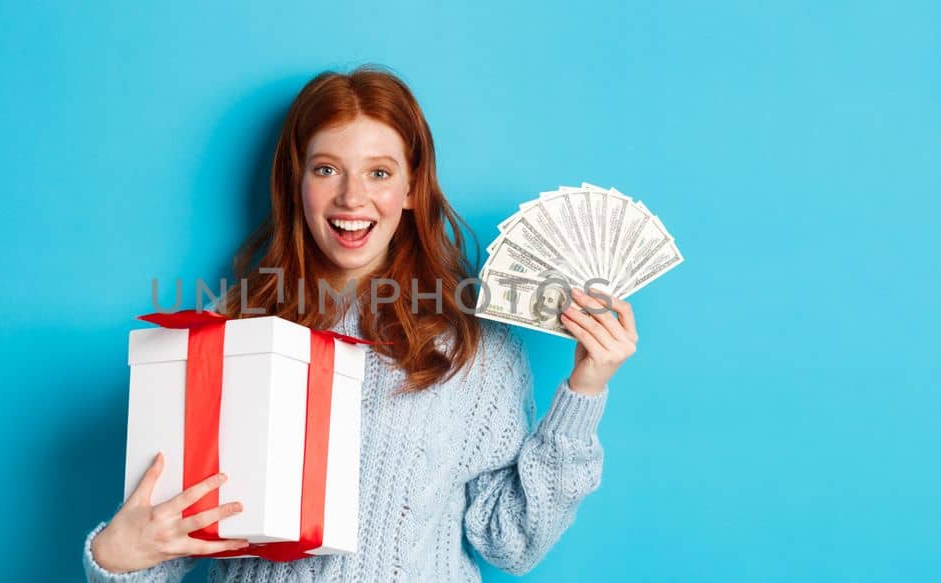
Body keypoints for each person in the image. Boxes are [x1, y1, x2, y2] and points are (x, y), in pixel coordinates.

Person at [84, 64, 639, 582]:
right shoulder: (229, 331)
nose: (352, 197)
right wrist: (114, 555)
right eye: (327, 169)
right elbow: (170, 540)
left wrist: (586, 388)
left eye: (379, 172)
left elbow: (510, 543)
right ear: (295, 182)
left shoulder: (473, 346)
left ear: (412, 189)